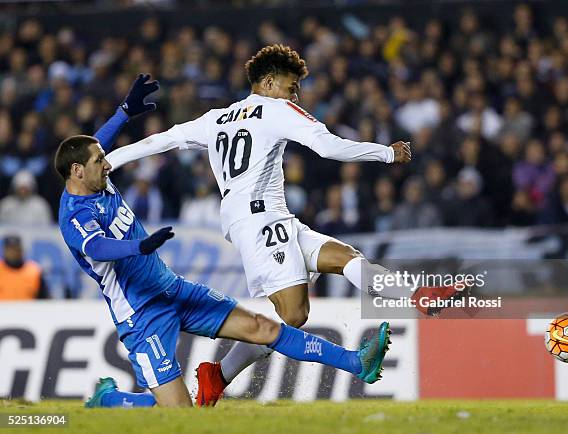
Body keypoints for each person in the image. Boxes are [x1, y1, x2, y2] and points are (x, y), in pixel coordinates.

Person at [104, 46, 458, 406]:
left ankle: (415, 297)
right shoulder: (274, 109)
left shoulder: (216, 118)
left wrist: (108, 161)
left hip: (267, 218)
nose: (296, 95)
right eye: (291, 87)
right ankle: (221, 374)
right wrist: (386, 153)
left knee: (345, 257)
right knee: (293, 314)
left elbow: (159, 140)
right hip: (261, 221)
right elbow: (327, 146)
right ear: (270, 83)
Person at [56, 76, 391, 408]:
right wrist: (137, 247)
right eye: (100, 161)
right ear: (77, 171)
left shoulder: (94, 177)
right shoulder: (74, 215)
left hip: (172, 288)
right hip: (141, 312)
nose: (108, 163)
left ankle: (355, 363)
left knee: (263, 327)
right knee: (181, 414)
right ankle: (112, 400)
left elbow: (93, 146)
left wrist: (124, 112)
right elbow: (96, 247)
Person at [0, 234, 48, 300]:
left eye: (16, 249)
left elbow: (45, 299)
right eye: (10, 249)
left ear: (21, 249)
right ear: (4, 250)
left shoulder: (34, 271)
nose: (13, 252)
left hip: (29, 310)